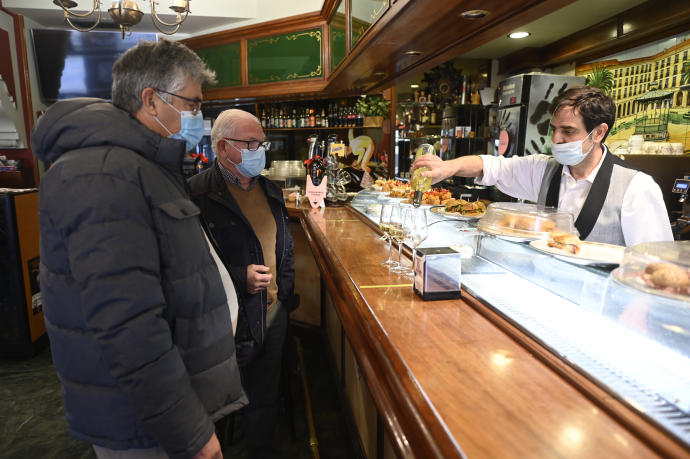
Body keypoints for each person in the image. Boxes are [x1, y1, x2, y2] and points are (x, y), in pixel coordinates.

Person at [32, 39, 246, 459]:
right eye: (193, 104)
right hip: (142, 421)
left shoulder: (143, 163)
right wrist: (190, 432)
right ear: (151, 100)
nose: (198, 117)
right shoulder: (103, 174)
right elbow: (127, 323)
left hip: (160, 407)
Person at [413, 85, 673, 246]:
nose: (556, 139)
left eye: (568, 131)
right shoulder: (543, 169)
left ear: (598, 133)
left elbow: (654, 263)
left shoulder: (636, 188)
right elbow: (489, 166)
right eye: (554, 129)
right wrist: (447, 168)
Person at [188, 109, 296, 458]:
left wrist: (285, 296)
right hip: (227, 319)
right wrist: (239, 278)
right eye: (250, 143)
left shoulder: (271, 189)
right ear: (222, 148)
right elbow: (189, 267)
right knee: (217, 405)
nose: (258, 149)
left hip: (273, 312)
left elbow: (284, 248)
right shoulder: (196, 195)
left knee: (265, 401)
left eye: (261, 142)